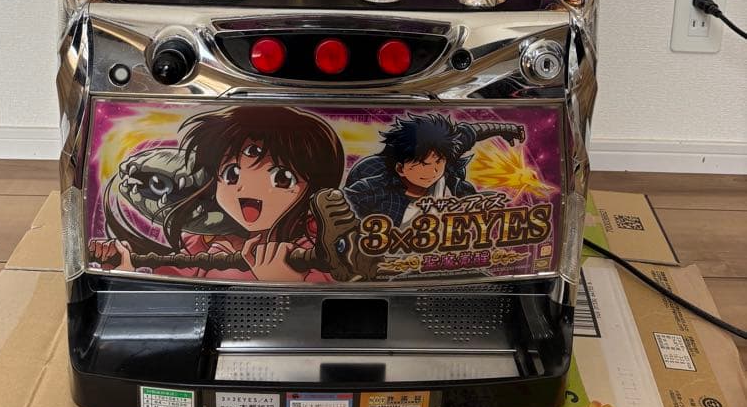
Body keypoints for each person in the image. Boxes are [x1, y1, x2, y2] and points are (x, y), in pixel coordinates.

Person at [89, 105, 344, 282]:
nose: (245, 188)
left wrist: (286, 281)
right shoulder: (207, 242)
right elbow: (171, 290)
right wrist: (124, 267)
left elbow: (336, 304)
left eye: (282, 179)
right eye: (232, 173)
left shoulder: (316, 245)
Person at [344, 112, 525, 227]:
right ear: (400, 167)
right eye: (423, 164)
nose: (433, 172)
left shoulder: (446, 164)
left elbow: (471, 132)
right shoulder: (377, 189)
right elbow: (342, 204)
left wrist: (507, 129)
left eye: (438, 162)